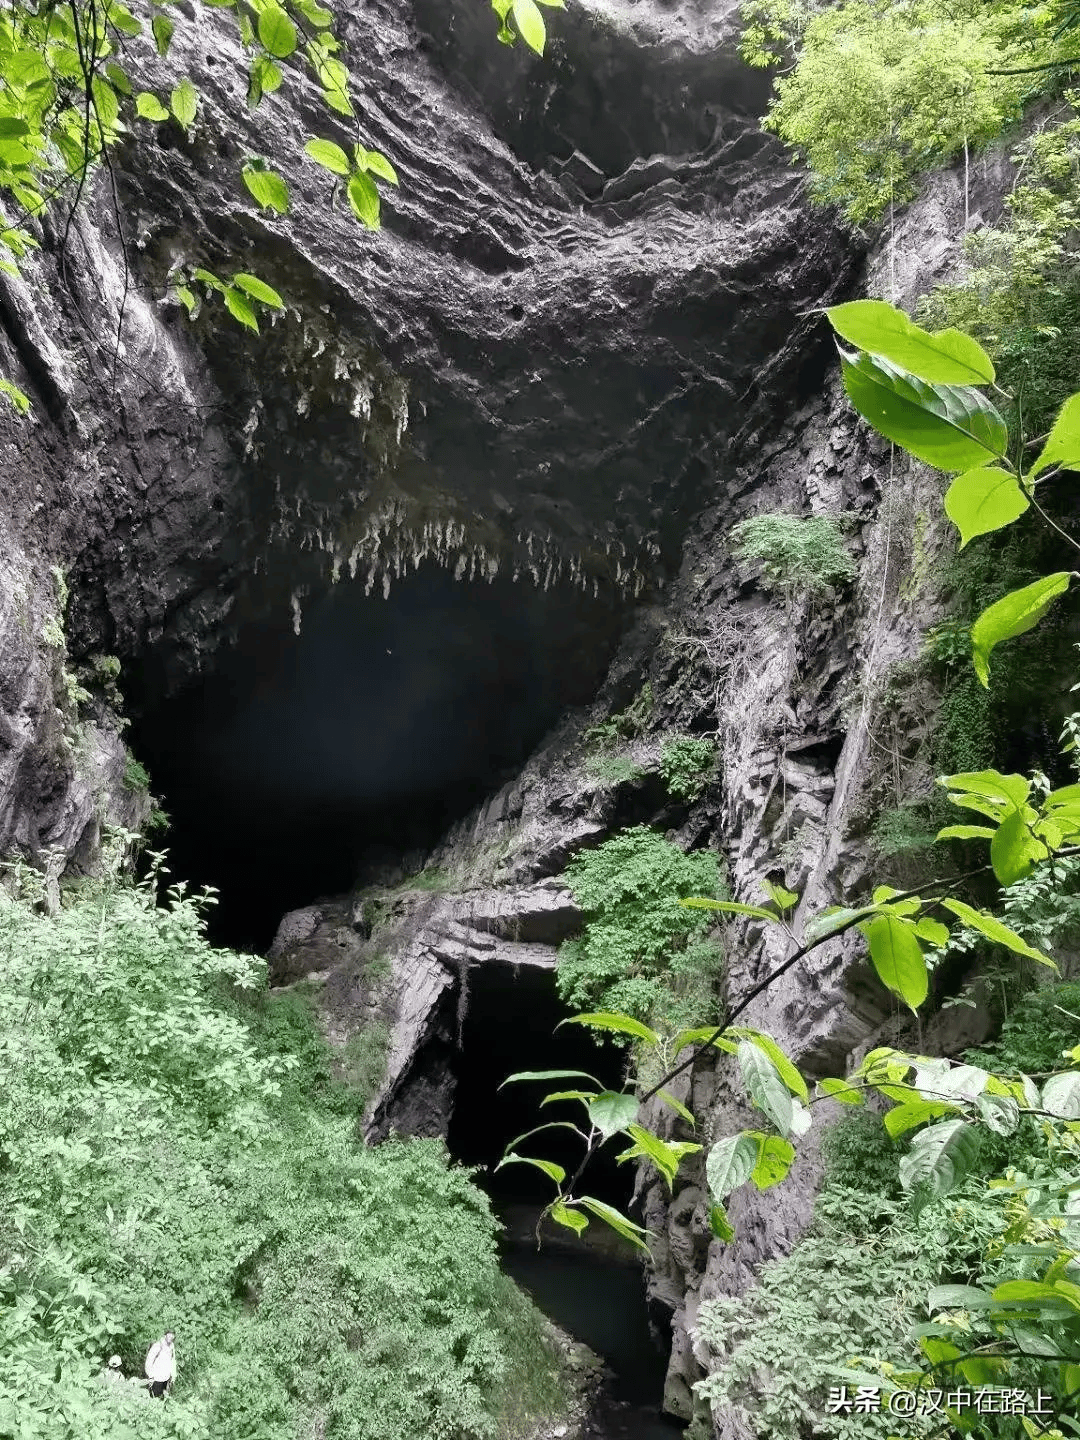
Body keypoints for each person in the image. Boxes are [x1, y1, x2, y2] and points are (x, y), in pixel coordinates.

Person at [144, 1331, 176, 1398]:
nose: (171, 1337)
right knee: (154, 1399)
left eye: (172, 1335)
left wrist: (173, 1375)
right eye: (169, 1335)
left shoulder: (172, 1346)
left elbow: (172, 1361)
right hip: (156, 1378)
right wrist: (150, 1376)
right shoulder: (158, 1345)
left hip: (166, 1378)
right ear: (165, 1335)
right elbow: (149, 1361)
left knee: (163, 1399)